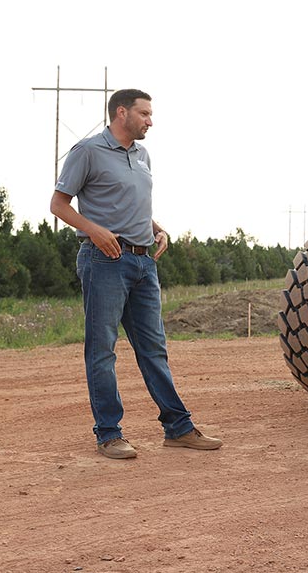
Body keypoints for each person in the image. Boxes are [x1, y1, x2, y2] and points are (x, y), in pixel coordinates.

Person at [50, 89, 222, 459]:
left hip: (144, 263)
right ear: (121, 112)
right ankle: (109, 434)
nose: (150, 121)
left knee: (154, 350)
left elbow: (133, 204)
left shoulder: (142, 154)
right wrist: (93, 230)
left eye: (150, 114)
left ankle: (178, 428)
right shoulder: (88, 151)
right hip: (104, 261)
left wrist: (157, 228)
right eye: (144, 114)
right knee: (102, 352)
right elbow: (58, 204)